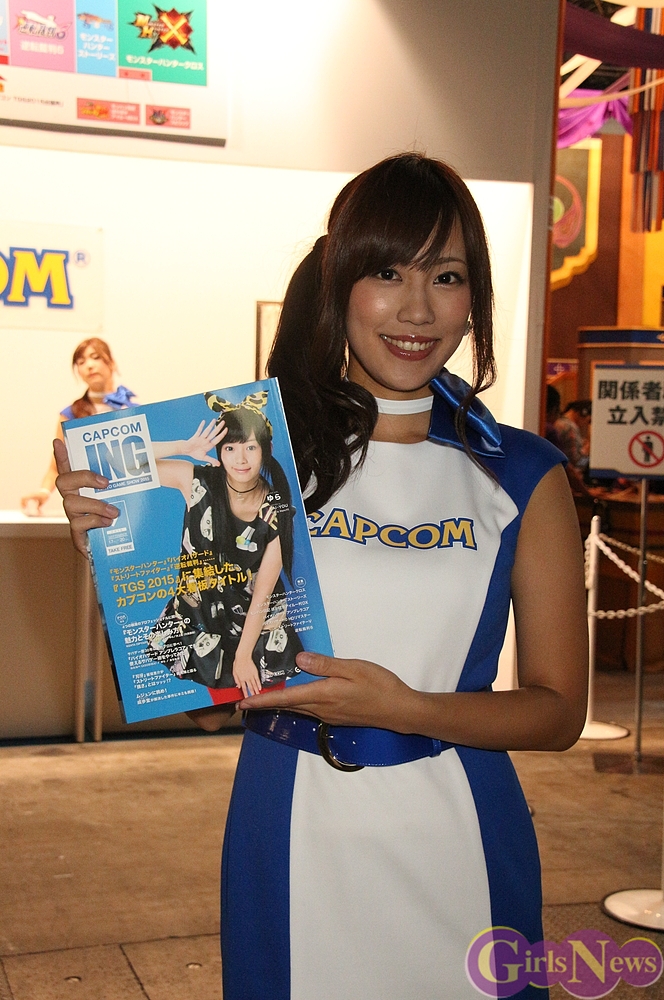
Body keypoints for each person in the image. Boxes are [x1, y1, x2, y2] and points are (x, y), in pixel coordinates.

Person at [53, 153, 588, 1000]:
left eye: (447, 276)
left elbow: (559, 714)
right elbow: (203, 703)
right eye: (388, 272)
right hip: (290, 823)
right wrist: (116, 561)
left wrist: (404, 709)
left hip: (462, 833)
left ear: (475, 298)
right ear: (339, 282)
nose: (418, 308)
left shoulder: (521, 472)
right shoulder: (261, 461)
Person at [145, 391, 303, 697]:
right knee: (209, 717)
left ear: (266, 449)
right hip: (203, 621)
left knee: (261, 713)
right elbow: (119, 462)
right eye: (230, 448)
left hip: (255, 632)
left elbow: (263, 592)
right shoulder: (196, 481)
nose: (240, 459)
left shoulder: (277, 508)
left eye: (250, 447)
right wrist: (183, 447)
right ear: (219, 450)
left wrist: (243, 656)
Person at [21, 338, 135, 515]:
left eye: (95, 357)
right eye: (81, 362)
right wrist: (43, 493)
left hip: (131, 501)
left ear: (111, 362)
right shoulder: (70, 414)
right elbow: (56, 466)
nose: (89, 365)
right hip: (90, 504)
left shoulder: (133, 411)